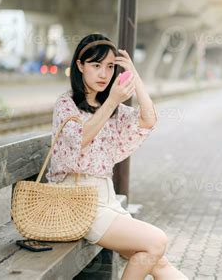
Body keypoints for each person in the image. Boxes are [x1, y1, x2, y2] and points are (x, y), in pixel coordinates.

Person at [45, 34, 188, 279]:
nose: (104, 74)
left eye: (110, 67)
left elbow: (148, 119)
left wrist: (134, 74)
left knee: (158, 262)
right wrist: (111, 101)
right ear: (80, 66)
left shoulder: (113, 108)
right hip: (77, 202)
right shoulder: (66, 104)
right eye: (96, 65)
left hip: (106, 199)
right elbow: (81, 138)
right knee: (156, 242)